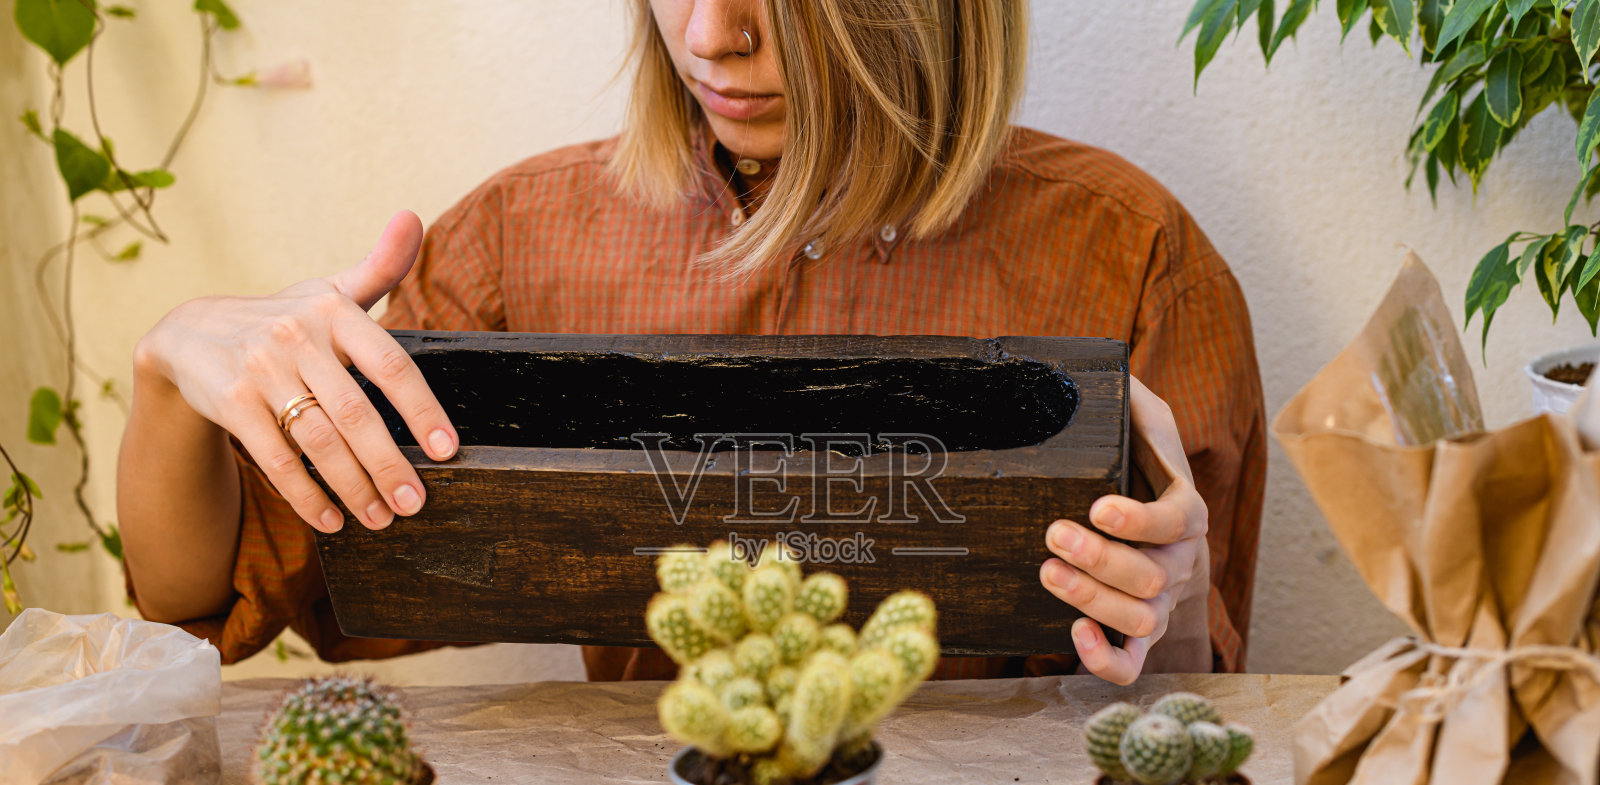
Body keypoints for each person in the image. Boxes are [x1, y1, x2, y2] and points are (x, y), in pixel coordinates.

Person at [116, 0, 1264, 686]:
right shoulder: (525, 242)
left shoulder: (1128, 254)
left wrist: (1160, 605)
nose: (711, 35)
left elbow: (1190, 705)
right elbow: (207, 598)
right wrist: (171, 371)